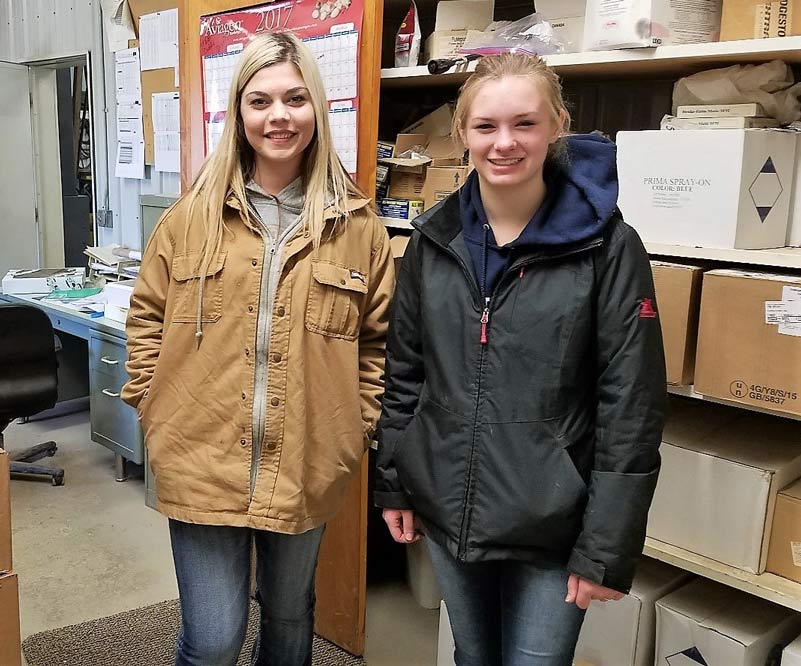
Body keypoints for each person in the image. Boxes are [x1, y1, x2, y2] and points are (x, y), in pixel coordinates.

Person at [375, 53, 667, 666]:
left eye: (524, 124)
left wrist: (605, 547)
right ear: (462, 134)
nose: (504, 143)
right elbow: (406, 374)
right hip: (450, 507)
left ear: (557, 126)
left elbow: (631, 406)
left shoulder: (609, 247)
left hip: (554, 523)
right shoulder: (434, 242)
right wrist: (396, 483)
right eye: (485, 126)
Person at [122, 31, 394, 666]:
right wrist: (153, 408)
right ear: (239, 113)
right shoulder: (188, 220)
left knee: (290, 619)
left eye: (295, 99)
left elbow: (377, 345)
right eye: (261, 101)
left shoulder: (357, 228)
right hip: (200, 455)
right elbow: (146, 322)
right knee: (214, 639)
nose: (279, 117)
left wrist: (352, 429)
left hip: (307, 460)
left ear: (316, 109)